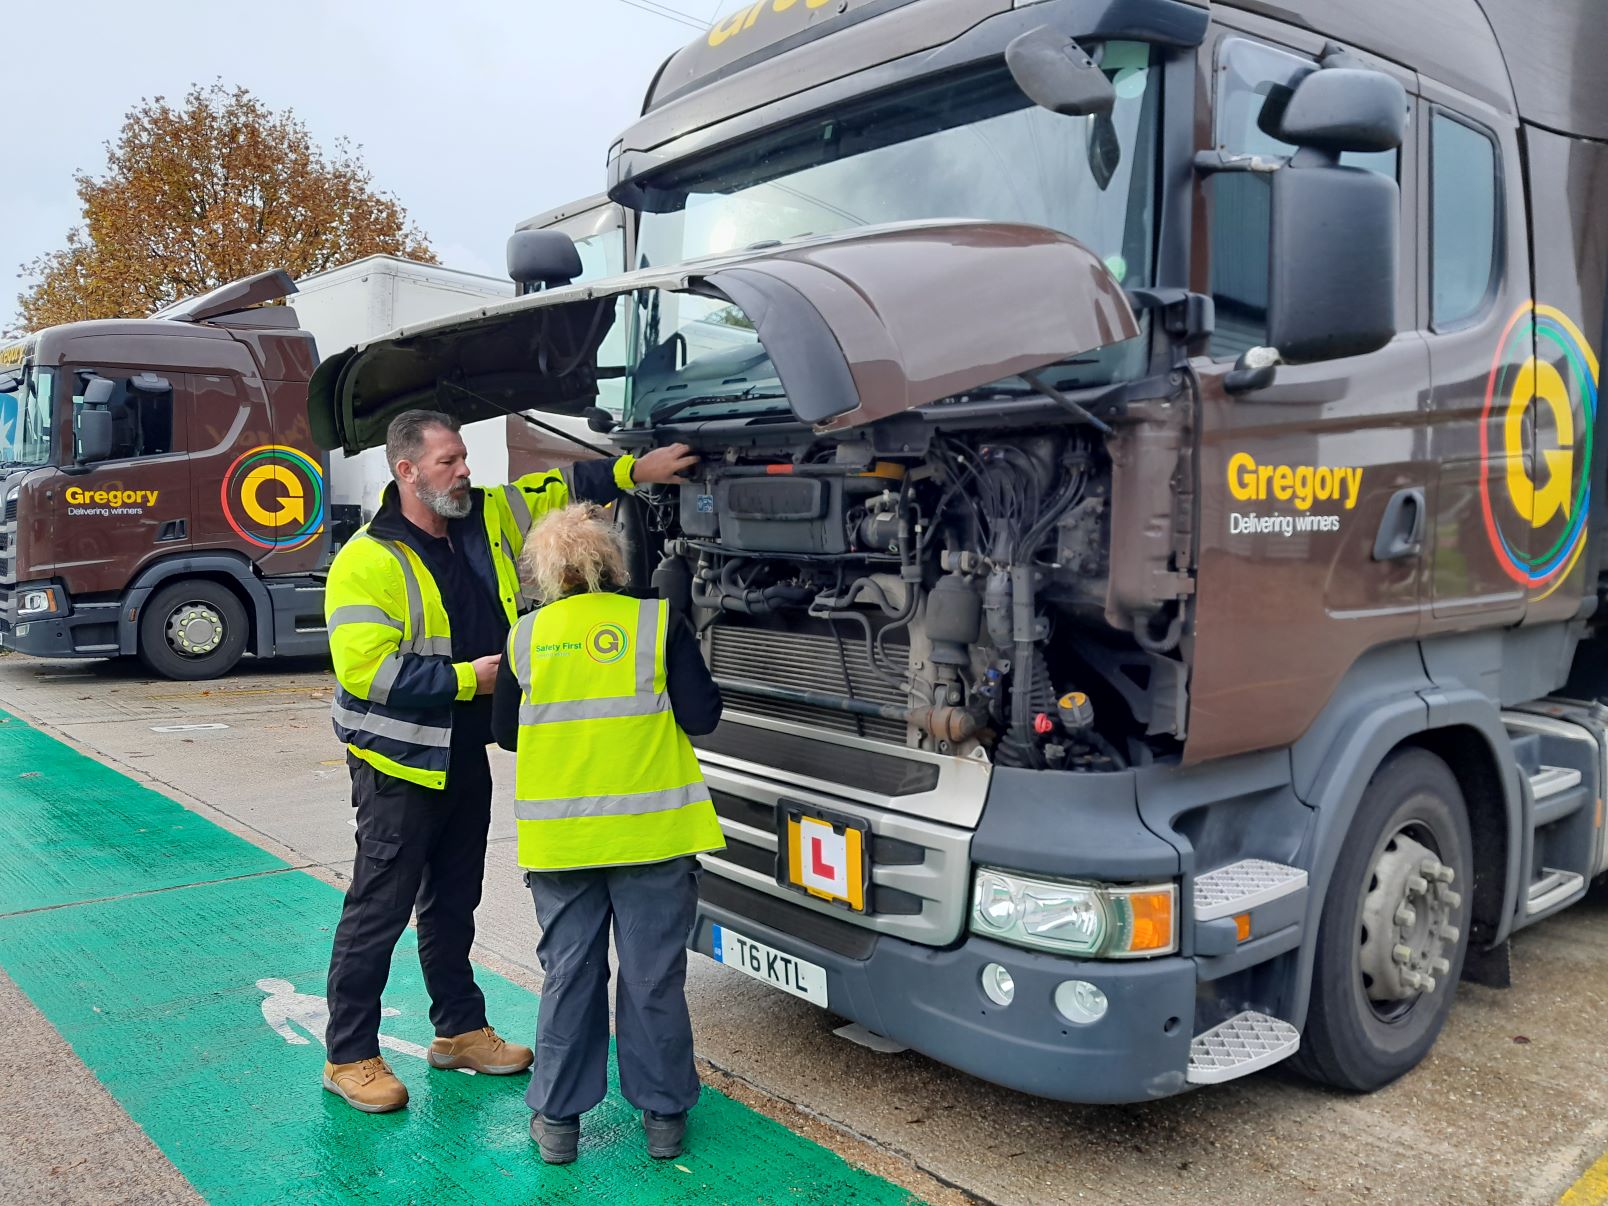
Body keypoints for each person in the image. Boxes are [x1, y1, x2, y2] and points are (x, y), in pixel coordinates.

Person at [320, 409, 695, 1114]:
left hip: (463, 751)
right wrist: (474, 678)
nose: (464, 471)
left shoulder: (486, 515)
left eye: (463, 458)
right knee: (380, 907)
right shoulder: (366, 561)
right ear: (406, 472)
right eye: (447, 462)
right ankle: (349, 1054)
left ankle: (458, 1029)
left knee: (454, 902)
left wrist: (637, 470)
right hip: (399, 761)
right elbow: (366, 672)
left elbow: (564, 484)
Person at [492, 503, 724, 1164]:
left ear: (545, 571)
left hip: (563, 845)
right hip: (652, 840)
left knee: (570, 974)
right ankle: (663, 1121)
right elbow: (702, 716)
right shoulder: (656, 623)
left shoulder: (526, 637)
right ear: (613, 562)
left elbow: (506, 732)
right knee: (652, 979)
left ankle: (559, 1125)